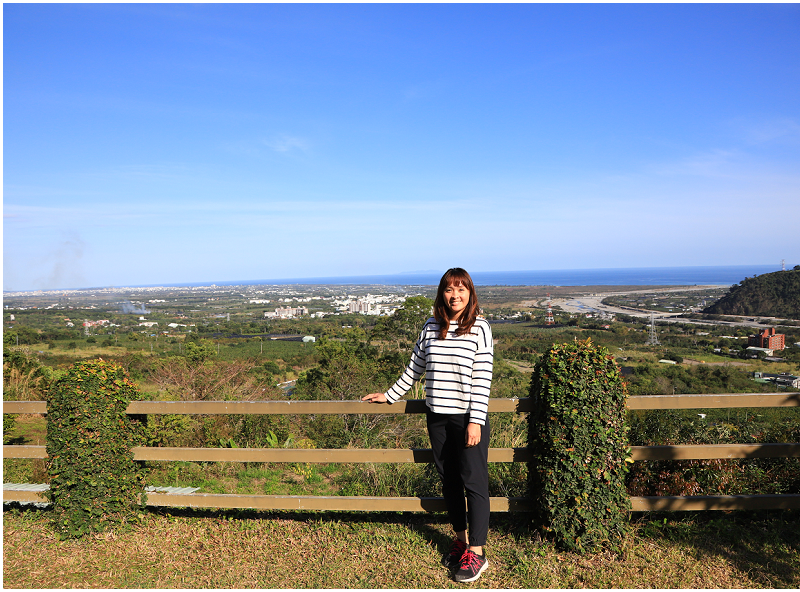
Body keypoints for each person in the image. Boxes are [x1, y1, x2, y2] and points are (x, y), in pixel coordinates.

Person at [362, 268, 493, 584]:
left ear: (470, 293)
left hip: (466, 418)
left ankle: (478, 551)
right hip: (437, 416)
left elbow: (482, 379)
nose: (455, 295)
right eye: (449, 289)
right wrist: (389, 395)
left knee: (473, 483)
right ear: (442, 294)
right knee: (449, 481)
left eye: (461, 289)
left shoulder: (480, 329)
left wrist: (475, 422)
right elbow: (414, 369)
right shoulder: (431, 326)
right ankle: (461, 540)